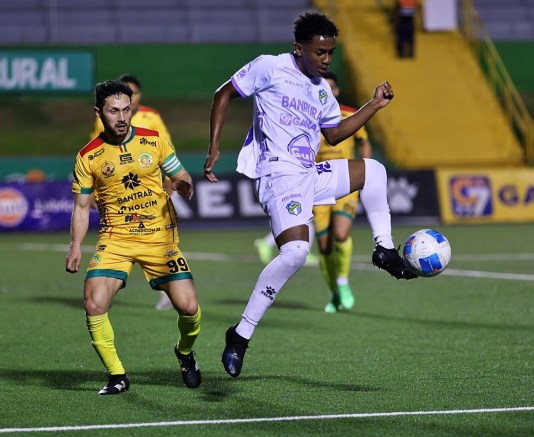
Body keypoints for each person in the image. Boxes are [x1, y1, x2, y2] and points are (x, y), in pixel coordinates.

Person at [204, 10, 416, 379]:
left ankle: (384, 248)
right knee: (297, 254)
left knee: (374, 171)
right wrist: (214, 147)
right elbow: (223, 94)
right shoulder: (269, 67)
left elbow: (333, 134)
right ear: (298, 49)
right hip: (277, 175)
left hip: (307, 174)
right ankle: (241, 334)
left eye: (331, 53)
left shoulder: (320, 89)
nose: (326, 59)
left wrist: (373, 105)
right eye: (320, 52)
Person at [67, 80, 202, 394]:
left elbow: (178, 173)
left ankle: (184, 353)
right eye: (114, 111)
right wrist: (75, 246)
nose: (122, 117)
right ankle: (117, 376)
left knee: (189, 308)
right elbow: (82, 206)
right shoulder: (88, 156)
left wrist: (183, 183)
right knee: (93, 303)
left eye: (127, 109)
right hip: (116, 238)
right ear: (99, 112)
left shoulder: (154, 141)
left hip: (159, 236)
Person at [89, 74, 177, 311]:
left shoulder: (152, 117)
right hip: (118, 198)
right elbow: (96, 158)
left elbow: (167, 150)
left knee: (161, 243)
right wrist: (92, 193)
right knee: (121, 243)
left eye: (134, 92)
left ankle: (169, 291)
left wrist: (170, 182)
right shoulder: (104, 120)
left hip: (151, 195)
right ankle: (107, 289)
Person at [313, 71, 373, 314]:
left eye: (331, 88)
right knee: (324, 246)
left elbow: (364, 141)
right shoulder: (308, 117)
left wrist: (366, 168)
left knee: (340, 234)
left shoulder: (350, 113)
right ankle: (334, 294)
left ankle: (343, 282)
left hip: (345, 181)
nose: (327, 91)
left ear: (336, 91)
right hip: (316, 185)